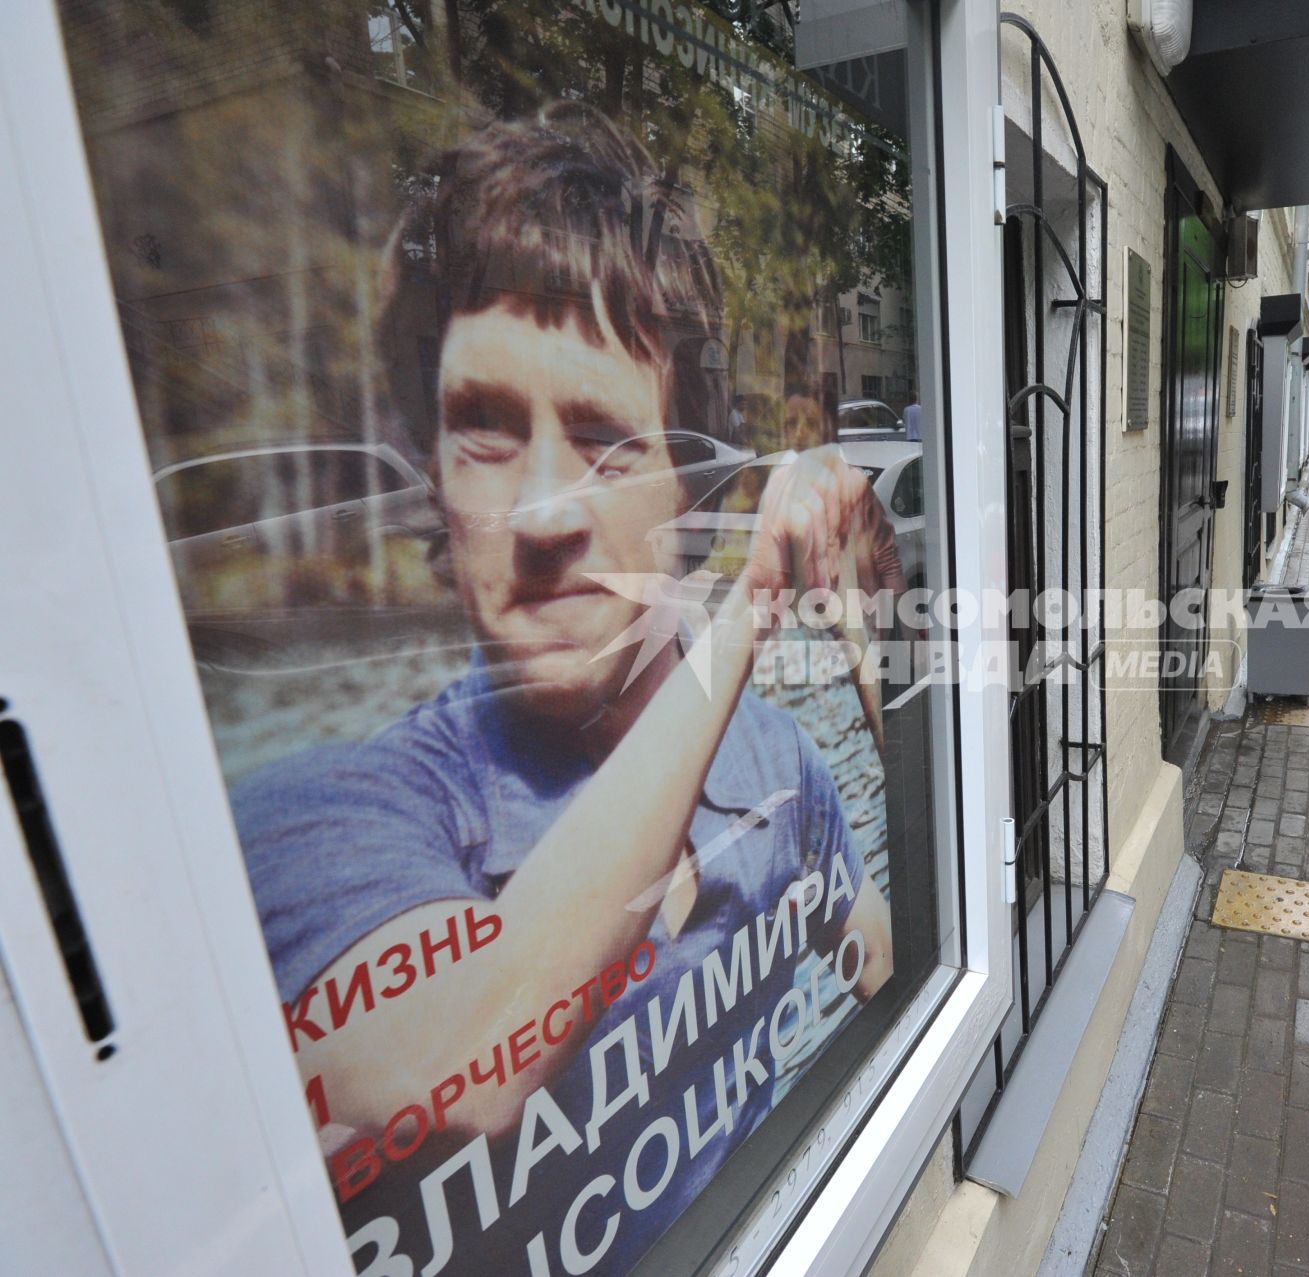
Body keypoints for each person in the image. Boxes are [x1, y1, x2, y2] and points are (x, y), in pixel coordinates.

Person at [233, 103, 898, 1268]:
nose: (541, 513)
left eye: (604, 439)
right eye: (484, 431)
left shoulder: (775, 758)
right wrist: (757, 604)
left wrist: (874, 632)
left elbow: (878, 948)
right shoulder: (333, 818)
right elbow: (471, 1049)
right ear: (432, 476)